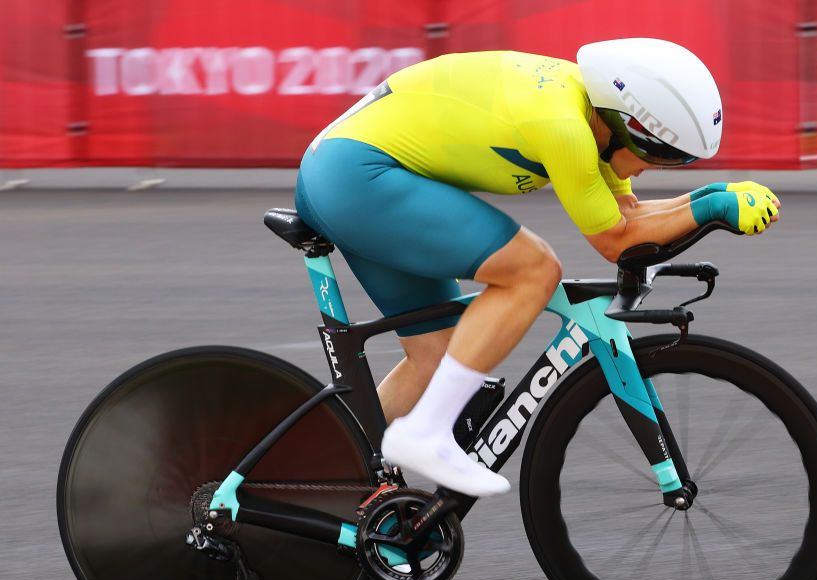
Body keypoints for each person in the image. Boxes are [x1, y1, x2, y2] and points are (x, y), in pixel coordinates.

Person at [294, 38, 780, 497]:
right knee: (532, 269)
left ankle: (314, 482)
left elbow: (628, 219)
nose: (654, 169)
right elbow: (616, 243)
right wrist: (712, 207)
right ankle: (424, 434)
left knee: (439, 355)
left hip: (352, 173)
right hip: (356, 176)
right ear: (630, 125)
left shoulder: (591, 116)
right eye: (660, 156)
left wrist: (710, 197)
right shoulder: (563, 127)